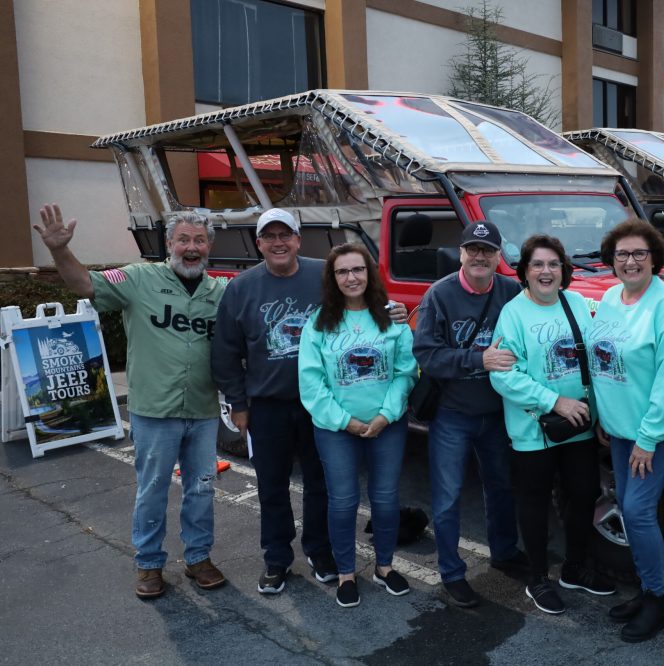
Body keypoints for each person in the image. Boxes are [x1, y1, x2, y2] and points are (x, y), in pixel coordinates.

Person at [33, 203, 227, 599]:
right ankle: (149, 564)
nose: (192, 247)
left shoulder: (220, 292)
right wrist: (59, 250)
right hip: (155, 410)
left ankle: (198, 558)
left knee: (202, 488)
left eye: (200, 240)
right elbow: (86, 285)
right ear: (169, 243)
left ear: (209, 247)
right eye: (184, 239)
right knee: (153, 488)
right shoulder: (138, 278)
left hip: (203, 410)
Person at [211, 208, 339, 595]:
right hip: (266, 405)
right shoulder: (241, 287)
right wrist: (238, 403)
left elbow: (361, 310)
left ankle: (319, 550)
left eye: (286, 235)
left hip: (320, 403)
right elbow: (225, 351)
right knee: (271, 485)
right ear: (259, 243)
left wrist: (394, 313)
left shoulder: (325, 274)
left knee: (322, 482)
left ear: (299, 240)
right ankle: (277, 558)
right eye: (270, 236)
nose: (279, 242)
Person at [489, 235, 616, 615]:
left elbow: (597, 361)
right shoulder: (513, 314)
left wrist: (599, 414)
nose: (546, 271)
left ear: (564, 270)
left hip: (577, 424)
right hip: (534, 430)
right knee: (534, 502)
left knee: (583, 494)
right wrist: (554, 401)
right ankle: (537, 578)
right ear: (524, 272)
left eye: (553, 264)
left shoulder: (576, 303)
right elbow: (503, 375)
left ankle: (574, 569)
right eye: (538, 265)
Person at [587, 218, 664, 642]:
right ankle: (645, 587)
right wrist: (601, 416)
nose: (630, 261)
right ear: (612, 261)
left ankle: (657, 600)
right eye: (622, 255)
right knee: (631, 511)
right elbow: (602, 362)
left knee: (637, 512)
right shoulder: (612, 298)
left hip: (654, 433)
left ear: (655, 259)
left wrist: (648, 439)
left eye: (639, 254)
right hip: (617, 429)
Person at [412, 220, 526, 608]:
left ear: (498, 256)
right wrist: (479, 358)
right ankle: (452, 573)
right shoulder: (438, 295)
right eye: (472, 249)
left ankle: (506, 553)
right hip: (452, 415)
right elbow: (426, 354)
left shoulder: (512, 291)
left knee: (502, 489)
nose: (480, 256)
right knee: (447, 498)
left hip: (497, 413)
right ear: (461, 253)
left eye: (488, 250)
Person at [298, 243, 418, 609]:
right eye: (342, 272)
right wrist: (345, 421)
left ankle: (384, 567)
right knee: (343, 501)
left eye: (358, 270)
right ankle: (347, 573)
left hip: (388, 425)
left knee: (385, 499)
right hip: (336, 430)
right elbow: (311, 382)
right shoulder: (319, 323)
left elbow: (405, 372)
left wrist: (386, 415)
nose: (351, 277)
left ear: (370, 273)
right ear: (332, 279)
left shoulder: (391, 319)